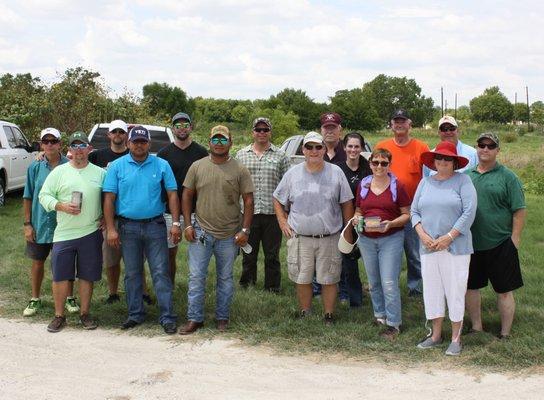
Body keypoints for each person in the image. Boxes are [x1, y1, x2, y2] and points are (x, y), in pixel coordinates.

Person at [103, 125, 180, 335]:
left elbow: (172, 194)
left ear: (149, 143)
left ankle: (167, 316)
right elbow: (109, 198)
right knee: (133, 273)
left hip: (155, 225)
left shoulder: (162, 164)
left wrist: (175, 223)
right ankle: (135, 314)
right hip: (127, 227)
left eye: (143, 142)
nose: (139, 145)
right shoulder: (117, 166)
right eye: (135, 142)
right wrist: (111, 228)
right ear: (129, 143)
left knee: (160, 272)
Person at [273, 131, 353, 324]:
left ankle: (328, 314)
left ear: (324, 149)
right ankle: (305, 312)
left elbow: (347, 202)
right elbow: (277, 198)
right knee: (302, 277)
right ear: (303, 150)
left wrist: (348, 231)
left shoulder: (336, 172)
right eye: (309, 147)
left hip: (329, 236)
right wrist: (283, 221)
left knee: (330, 278)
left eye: (318, 147)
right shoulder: (292, 173)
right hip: (300, 236)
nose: (314, 151)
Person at [180, 125, 254, 335]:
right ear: (209, 142)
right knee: (196, 277)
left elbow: (248, 201)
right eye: (216, 140)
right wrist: (187, 224)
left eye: (223, 140)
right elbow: (186, 195)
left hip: (230, 234)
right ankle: (195, 318)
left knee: (225, 278)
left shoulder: (239, 169)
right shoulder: (197, 166)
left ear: (230, 143)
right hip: (201, 231)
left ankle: (222, 317)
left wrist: (245, 230)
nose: (219, 144)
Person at [411, 141, 477, 355]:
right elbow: (414, 212)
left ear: (454, 162)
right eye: (439, 158)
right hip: (429, 247)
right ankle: (436, 334)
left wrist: (449, 237)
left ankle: (456, 338)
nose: (442, 162)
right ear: (433, 161)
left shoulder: (463, 181)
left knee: (455, 290)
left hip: (455, 248)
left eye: (447, 159)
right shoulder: (425, 183)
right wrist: (422, 234)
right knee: (432, 290)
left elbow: (469, 212)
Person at [39, 131, 106, 332]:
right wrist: (60, 206)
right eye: (74, 146)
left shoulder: (100, 173)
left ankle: (85, 314)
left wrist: (105, 216)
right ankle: (59, 316)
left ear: (89, 148)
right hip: (64, 233)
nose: (78, 151)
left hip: (91, 231)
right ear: (69, 150)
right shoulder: (59, 172)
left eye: (82, 146)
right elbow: (44, 195)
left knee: (86, 275)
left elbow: (110, 198)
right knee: (60, 276)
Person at [465, 133, 526, 339]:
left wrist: (515, 240)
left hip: (500, 243)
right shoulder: (467, 176)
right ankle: (476, 327)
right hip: (471, 243)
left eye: (491, 146)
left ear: (498, 150)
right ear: (477, 147)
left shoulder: (508, 177)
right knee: (471, 288)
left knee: (504, 290)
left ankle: (505, 333)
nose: (485, 149)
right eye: (482, 145)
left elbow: (519, 210)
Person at [352, 148, 410, 338]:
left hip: (391, 238)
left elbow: (407, 215)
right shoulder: (364, 185)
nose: (379, 166)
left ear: (389, 165)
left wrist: (391, 223)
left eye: (384, 163)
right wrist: (356, 219)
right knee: (374, 281)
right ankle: (379, 316)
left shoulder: (397, 186)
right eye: (375, 162)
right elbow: (359, 210)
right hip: (367, 238)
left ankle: (394, 324)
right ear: (370, 164)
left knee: (389, 282)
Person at [22, 128, 77, 316]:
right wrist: (27, 224)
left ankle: (70, 297)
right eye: (46, 142)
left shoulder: (69, 165)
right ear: (41, 144)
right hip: (39, 223)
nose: (49, 145)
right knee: (38, 262)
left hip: (63, 224)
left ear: (60, 144)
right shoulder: (34, 167)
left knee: (66, 262)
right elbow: (28, 196)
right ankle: (35, 299)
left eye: (53, 141)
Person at [376, 109, 429, 296]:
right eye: (395, 120)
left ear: (409, 124)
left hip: (413, 210)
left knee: (414, 254)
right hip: (388, 210)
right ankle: (389, 287)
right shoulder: (382, 146)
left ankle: (415, 288)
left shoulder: (421, 148)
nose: (399, 124)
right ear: (391, 124)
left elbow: (428, 179)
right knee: (389, 253)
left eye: (402, 121)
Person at [235, 117, 290, 292]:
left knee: (272, 254)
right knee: (248, 252)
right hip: (248, 213)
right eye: (258, 130)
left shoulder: (280, 155)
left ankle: (272, 286)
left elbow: (287, 184)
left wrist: (286, 212)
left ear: (270, 132)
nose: (261, 133)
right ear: (253, 132)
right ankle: (247, 283)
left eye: (265, 130)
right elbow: (236, 183)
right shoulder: (241, 154)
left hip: (272, 213)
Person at [157, 112, 208, 284]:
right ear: (173, 129)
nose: (182, 129)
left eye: (185, 125)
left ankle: (197, 286)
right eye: (178, 126)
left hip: (196, 211)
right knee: (169, 253)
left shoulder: (201, 152)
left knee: (198, 253)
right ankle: (168, 286)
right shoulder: (164, 154)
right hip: (170, 212)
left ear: (191, 127)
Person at [88, 119, 130, 304]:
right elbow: (75, 163)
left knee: (134, 260)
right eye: (115, 132)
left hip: (130, 216)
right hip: (107, 218)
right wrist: (42, 154)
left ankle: (142, 293)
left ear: (126, 134)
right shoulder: (97, 156)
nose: (118, 135)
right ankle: (113, 293)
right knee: (111, 260)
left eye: (122, 131)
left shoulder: (135, 153)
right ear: (109, 135)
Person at [337, 132, 371, 307]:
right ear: (344, 148)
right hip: (344, 220)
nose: (353, 149)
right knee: (346, 258)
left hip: (366, 220)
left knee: (367, 258)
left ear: (362, 148)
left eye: (357, 146)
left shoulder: (369, 168)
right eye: (350, 146)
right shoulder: (338, 169)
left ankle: (372, 292)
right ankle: (348, 296)